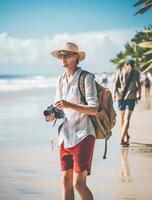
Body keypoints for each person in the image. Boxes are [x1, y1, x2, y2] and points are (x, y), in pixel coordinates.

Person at [45, 42, 98, 200]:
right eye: (61, 55)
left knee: (78, 184)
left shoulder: (86, 78)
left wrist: (69, 104)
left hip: (83, 135)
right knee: (66, 182)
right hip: (64, 137)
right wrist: (52, 115)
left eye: (66, 55)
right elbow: (58, 107)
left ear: (76, 57)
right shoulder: (60, 80)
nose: (63, 58)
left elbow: (94, 109)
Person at [113, 59, 141, 147]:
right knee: (123, 118)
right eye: (130, 65)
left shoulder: (135, 72)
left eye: (132, 66)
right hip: (123, 97)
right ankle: (126, 135)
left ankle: (122, 138)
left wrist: (139, 93)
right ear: (126, 65)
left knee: (126, 118)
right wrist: (113, 94)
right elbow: (116, 83)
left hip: (128, 97)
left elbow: (138, 84)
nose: (131, 68)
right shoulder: (122, 72)